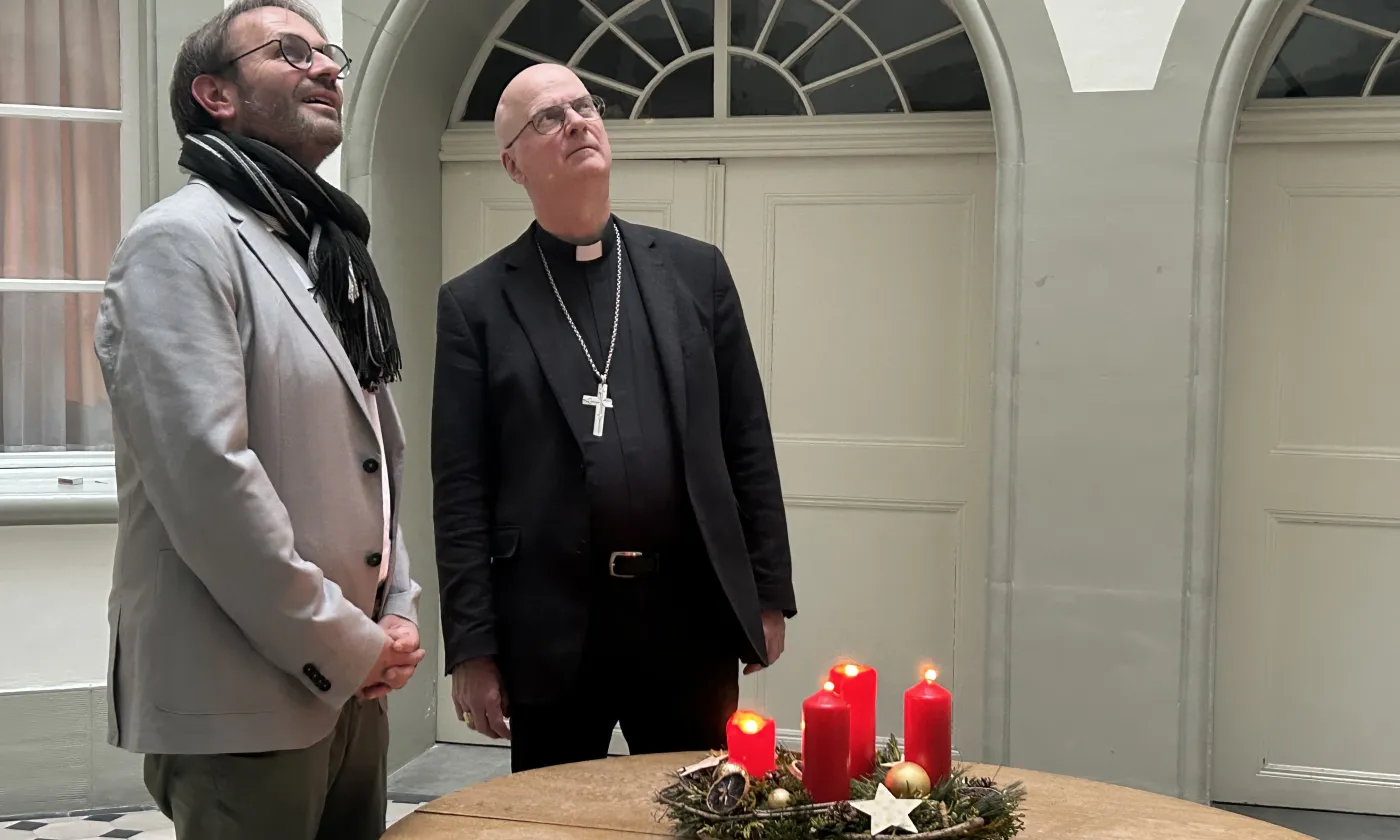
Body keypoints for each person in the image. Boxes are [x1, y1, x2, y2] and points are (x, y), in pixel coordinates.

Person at [93, 2, 423, 837]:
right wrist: (351, 645)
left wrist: (398, 612)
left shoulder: (321, 253)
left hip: (349, 687)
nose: (326, 69)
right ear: (215, 93)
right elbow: (211, 482)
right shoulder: (180, 242)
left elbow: (372, 460)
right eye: (291, 52)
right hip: (240, 696)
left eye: (329, 55)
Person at [431, 63, 797, 773]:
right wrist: (472, 647)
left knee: (694, 811)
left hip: (687, 617)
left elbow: (746, 439)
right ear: (512, 164)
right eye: (547, 118)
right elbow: (460, 489)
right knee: (557, 821)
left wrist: (767, 591)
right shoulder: (474, 305)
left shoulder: (695, 273)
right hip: (551, 626)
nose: (575, 121)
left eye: (583, 106)